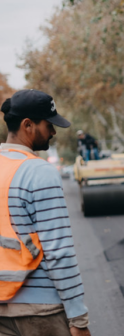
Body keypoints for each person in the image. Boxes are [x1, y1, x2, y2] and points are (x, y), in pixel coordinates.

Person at [0, 89, 91, 336]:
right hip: (41, 312)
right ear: (27, 125)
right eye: (48, 125)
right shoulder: (39, 172)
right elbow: (59, 252)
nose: (53, 132)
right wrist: (78, 319)